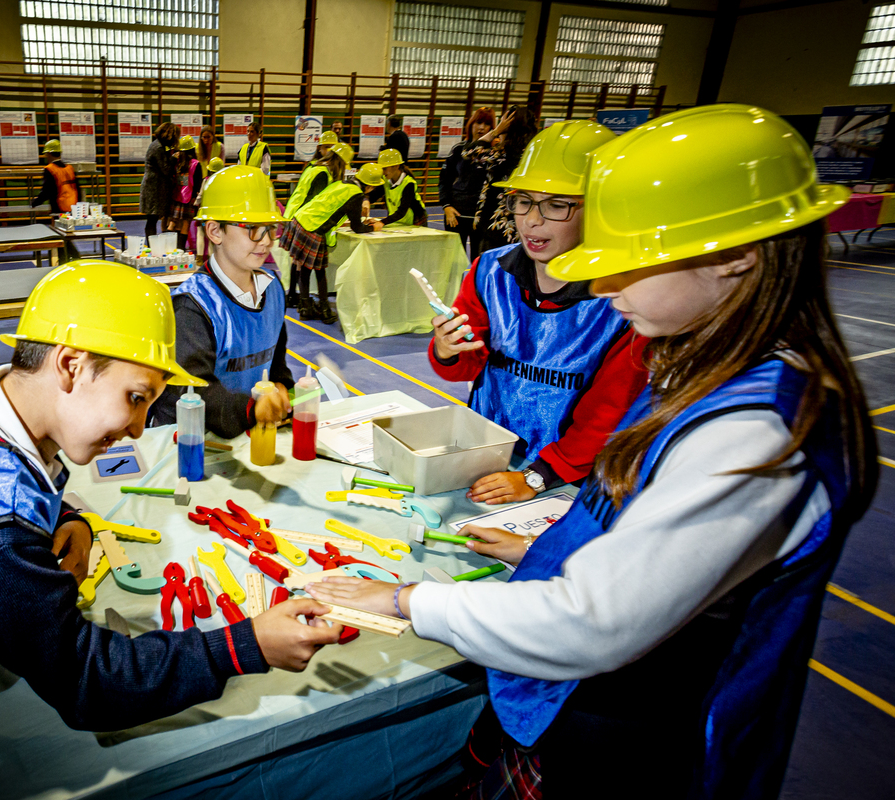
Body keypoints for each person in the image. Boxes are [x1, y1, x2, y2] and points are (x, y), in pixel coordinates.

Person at [308, 104, 874, 800]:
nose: (601, 288)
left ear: (734, 257)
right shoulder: (696, 364)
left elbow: (595, 621)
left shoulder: (757, 430)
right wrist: (541, 552)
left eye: (625, 265)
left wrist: (404, 599)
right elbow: (648, 541)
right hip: (588, 704)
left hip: (638, 739)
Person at [0, 259, 341, 796]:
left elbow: (3, 472)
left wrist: (71, 519)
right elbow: (89, 680)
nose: (134, 430)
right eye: (135, 398)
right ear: (70, 365)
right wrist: (246, 645)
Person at [426, 120, 643, 503]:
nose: (532, 219)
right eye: (523, 200)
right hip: (491, 453)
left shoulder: (625, 301)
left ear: (601, 209)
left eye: (556, 205)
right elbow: (467, 367)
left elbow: (608, 414)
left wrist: (538, 476)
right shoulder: (489, 271)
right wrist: (446, 348)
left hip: (569, 475)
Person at [153, 166, 294, 438]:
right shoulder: (192, 306)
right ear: (215, 231)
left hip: (248, 431)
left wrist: (281, 385)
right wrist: (252, 409)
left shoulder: (273, 289)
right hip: (191, 441)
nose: (265, 241)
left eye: (271, 229)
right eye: (252, 229)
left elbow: (275, 358)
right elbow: (193, 390)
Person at [285, 161, 384, 323]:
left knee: (302, 266)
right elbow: (357, 227)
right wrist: (373, 228)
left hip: (301, 219)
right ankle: (324, 309)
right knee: (320, 270)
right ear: (371, 187)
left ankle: (305, 307)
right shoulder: (357, 195)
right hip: (314, 227)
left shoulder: (343, 183)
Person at [466, 106, 538, 252]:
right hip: (519, 223)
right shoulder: (533, 154)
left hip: (494, 225)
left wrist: (496, 131)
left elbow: (469, 152)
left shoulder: (502, 153)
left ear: (509, 123)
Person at [440, 107, 496, 260]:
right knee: (452, 260)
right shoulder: (459, 150)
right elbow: (444, 180)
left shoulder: (494, 152)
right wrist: (446, 206)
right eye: (478, 122)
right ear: (471, 124)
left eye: (487, 124)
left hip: (481, 217)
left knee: (480, 262)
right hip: (456, 215)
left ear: (492, 129)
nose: (482, 127)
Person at [33, 138, 83, 261]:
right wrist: (79, 207)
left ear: (49, 153)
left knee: (60, 236)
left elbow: (47, 190)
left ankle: (68, 260)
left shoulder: (50, 169)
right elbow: (78, 188)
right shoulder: (69, 168)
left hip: (58, 209)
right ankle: (71, 258)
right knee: (65, 236)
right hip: (72, 208)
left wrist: (36, 202)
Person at [140, 122, 179, 238]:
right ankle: (152, 245)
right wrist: (173, 158)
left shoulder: (157, 145)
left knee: (152, 219)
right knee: (152, 219)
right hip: (154, 188)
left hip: (154, 186)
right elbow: (166, 169)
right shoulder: (158, 148)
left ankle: (152, 243)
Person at [374, 148, 426, 226]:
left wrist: (382, 222)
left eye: (385, 169)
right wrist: (366, 201)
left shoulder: (409, 184)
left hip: (415, 220)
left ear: (396, 166)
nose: (383, 172)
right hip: (398, 220)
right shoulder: (386, 180)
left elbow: (402, 211)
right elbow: (375, 195)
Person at [169, 134, 202, 245]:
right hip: (189, 198)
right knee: (185, 224)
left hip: (176, 196)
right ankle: (180, 249)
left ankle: (168, 246)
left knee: (173, 222)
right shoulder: (195, 164)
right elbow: (198, 183)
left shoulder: (177, 162)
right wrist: (195, 198)